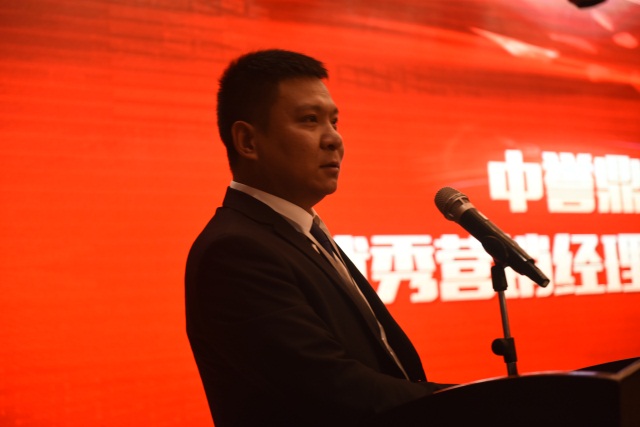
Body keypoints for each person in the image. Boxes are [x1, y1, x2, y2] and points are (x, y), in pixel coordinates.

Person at [185, 49, 450, 427]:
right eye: (310, 120)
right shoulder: (235, 252)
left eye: (334, 121)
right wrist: (477, 404)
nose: (334, 139)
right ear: (247, 141)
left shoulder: (302, 233)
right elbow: (333, 389)